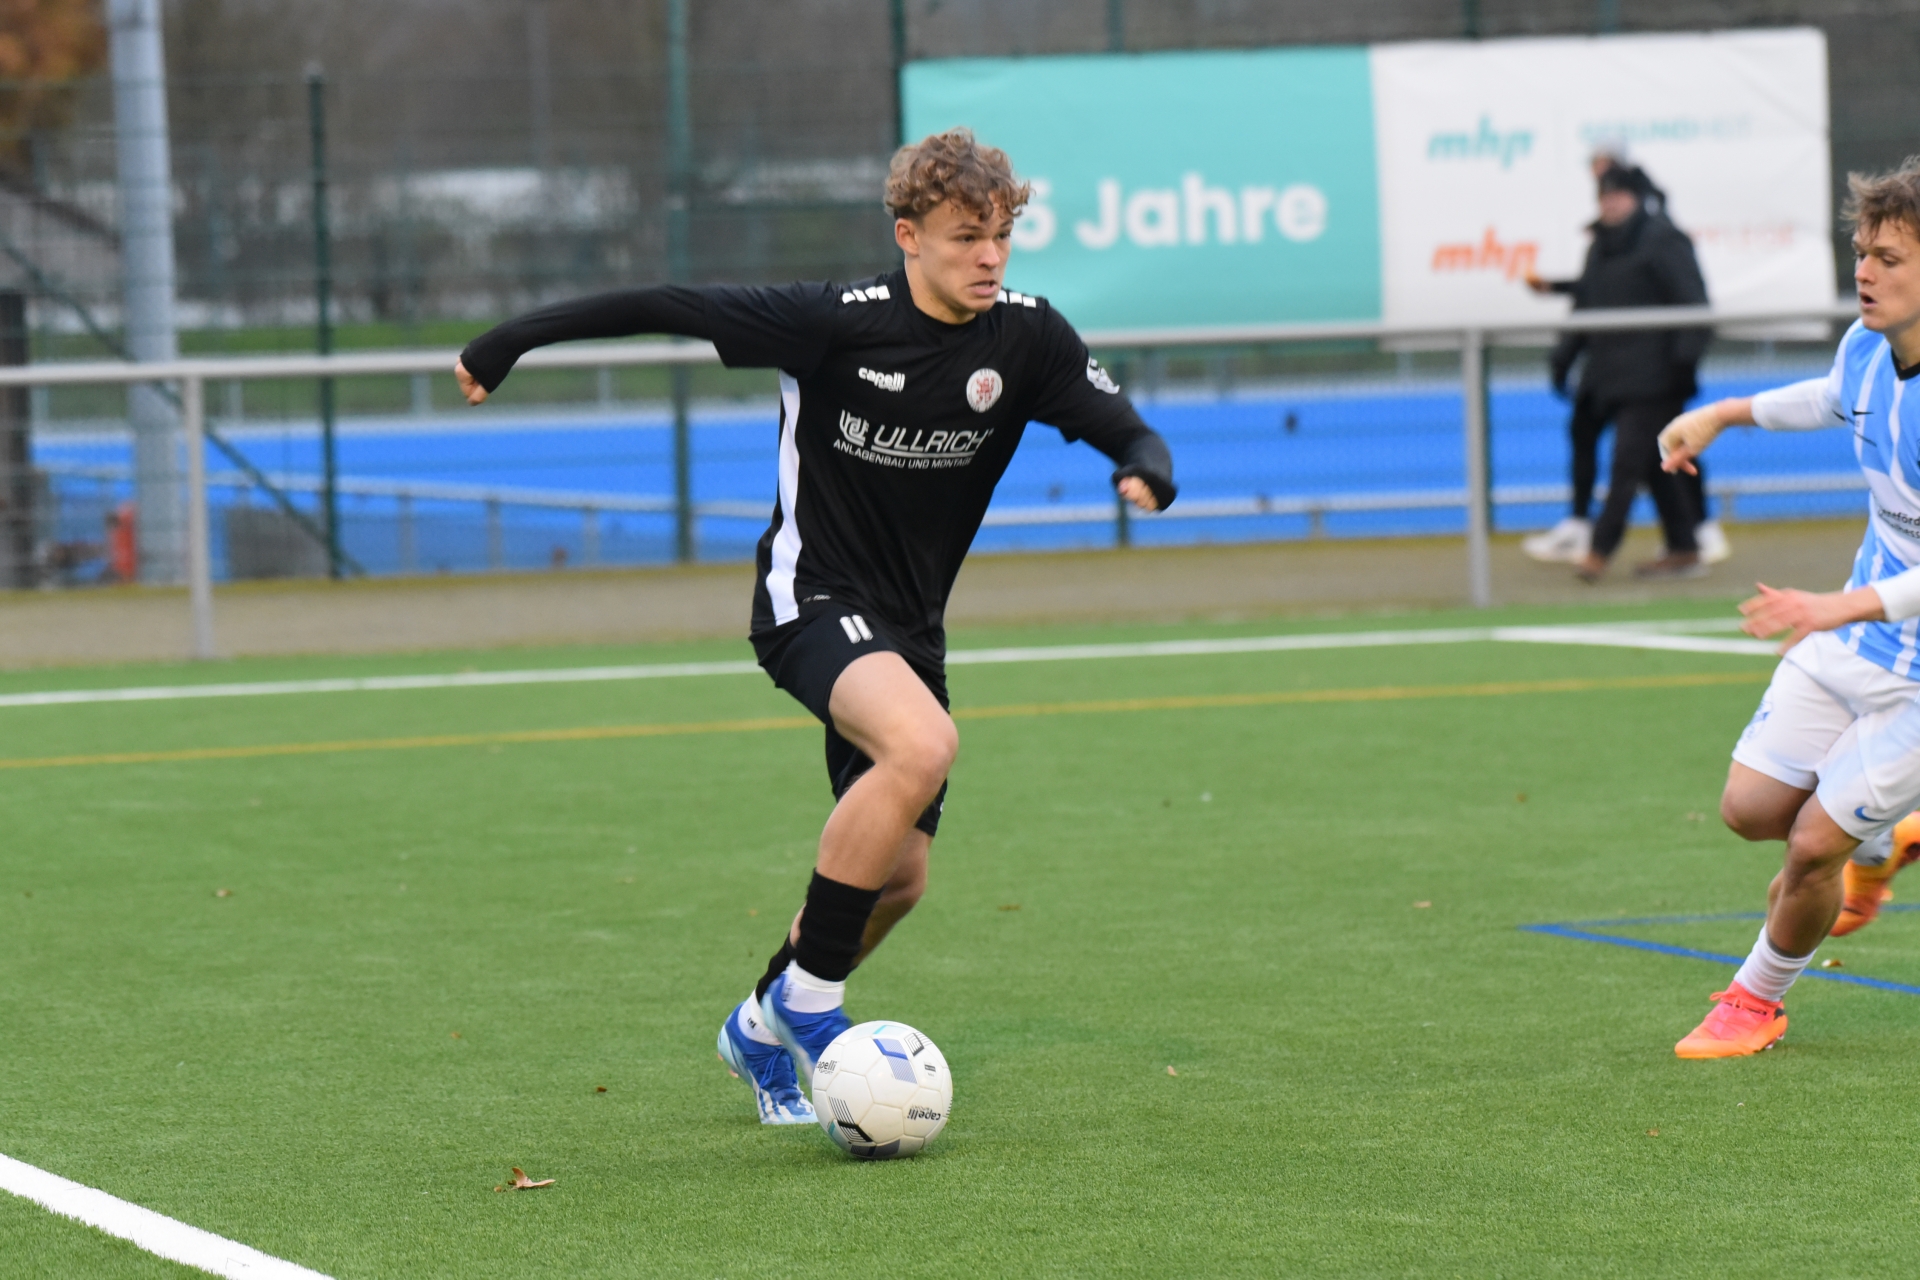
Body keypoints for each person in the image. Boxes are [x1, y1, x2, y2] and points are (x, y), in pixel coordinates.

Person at [452, 129, 1176, 1121]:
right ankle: (811, 1004)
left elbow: (1119, 422)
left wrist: (1146, 463)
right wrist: (510, 340)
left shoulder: (1027, 336)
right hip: (811, 599)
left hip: (911, 632)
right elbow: (666, 304)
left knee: (902, 878)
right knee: (923, 744)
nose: (990, 258)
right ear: (909, 235)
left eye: (1002, 236)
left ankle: (758, 1023)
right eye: (966, 238)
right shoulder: (835, 322)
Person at [1655, 156, 1920, 1058]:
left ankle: (1755, 1003)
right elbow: (1831, 399)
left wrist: (1842, 605)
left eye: (1888, 257)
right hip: (1856, 636)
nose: (1865, 272)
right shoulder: (1866, 346)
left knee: (1809, 851)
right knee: (1750, 808)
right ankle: (1877, 843)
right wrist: (1721, 413)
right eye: (1862, 252)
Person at [1523, 161, 1727, 572]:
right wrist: (1563, 358)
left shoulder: (1664, 239)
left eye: (1618, 195)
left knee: (1630, 462)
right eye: (1604, 196)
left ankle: (1599, 550)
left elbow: (1695, 306)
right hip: (1610, 376)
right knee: (1653, 459)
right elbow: (1588, 306)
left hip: (1658, 377)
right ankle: (1684, 546)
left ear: (1636, 198)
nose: (1610, 204)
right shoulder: (1600, 246)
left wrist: (1682, 366)